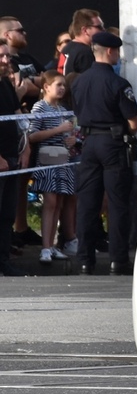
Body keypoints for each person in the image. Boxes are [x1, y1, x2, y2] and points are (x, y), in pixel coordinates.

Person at [71, 31, 137, 275]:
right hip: (112, 144)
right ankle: (118, 261)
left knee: (87, 203)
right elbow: (133, 122)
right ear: (110, 51)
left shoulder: (79, 81)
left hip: (89, 144)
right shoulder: (118, 83)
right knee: (118, 203)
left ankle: (84, 260)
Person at [26, 71, 77, 262]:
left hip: (63, 159)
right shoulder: (40, 107)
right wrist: (59, 130)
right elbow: (32, 135)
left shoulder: (61, 108)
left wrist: (71, 139)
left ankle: (52, 245)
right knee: (50, 202)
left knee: (59, 203)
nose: (62, 88)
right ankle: (45, 247)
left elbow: (66, 134)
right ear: (46, 87)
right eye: (58, 84)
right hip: (48, 159)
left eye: (64, 85)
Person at [0, 42, 32, 275]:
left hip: (13, 156)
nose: (5, 61)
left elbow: (18, 116)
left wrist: (26, 146)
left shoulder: (5, 83)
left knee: (7, 212)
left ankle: (3, 260)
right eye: (1, 56)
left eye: (6, 57)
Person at [56, 9, 105, 77]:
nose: (103, 30)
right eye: (99, 27)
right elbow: (88, 82)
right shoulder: (85, 53)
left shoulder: (67, 48)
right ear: (85, 30)